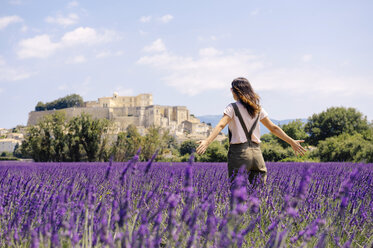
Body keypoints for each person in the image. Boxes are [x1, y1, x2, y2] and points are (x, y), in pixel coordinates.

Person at [196, 77, 306, 185]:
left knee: (238, 193)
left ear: (234, 90)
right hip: (257, 155)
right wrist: (292, 142)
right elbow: (273, 128)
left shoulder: (232, 108)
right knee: (258, 194)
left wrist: (207, 142)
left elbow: (220, 125)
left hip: (239, 154)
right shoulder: (257, 109)